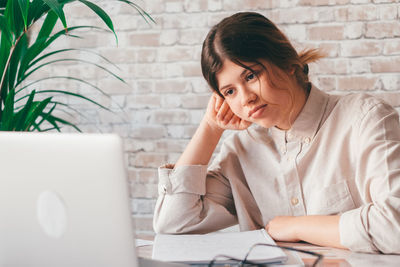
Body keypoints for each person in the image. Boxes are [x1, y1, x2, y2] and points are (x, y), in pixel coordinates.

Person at [153, 12, 400, 254]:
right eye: (229, 92)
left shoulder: (365, 118)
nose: (246, 98)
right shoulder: (241, 151)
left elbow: (395, 227)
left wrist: (295, 227)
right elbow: (173, 223)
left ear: (286, 62)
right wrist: (211, 127)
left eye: (251, 75)